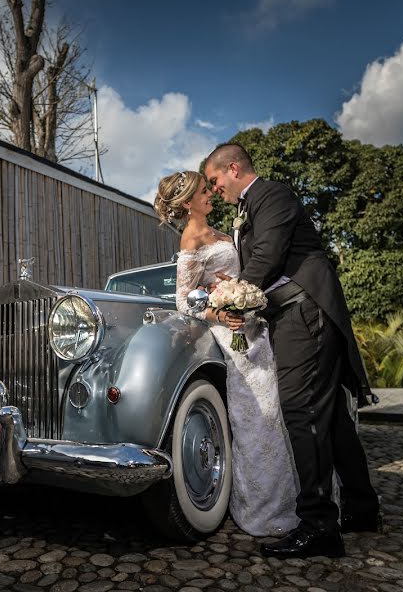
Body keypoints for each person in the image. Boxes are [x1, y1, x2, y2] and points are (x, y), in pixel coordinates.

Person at [204, 144, 381, 559]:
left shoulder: (272, 194)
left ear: (233, 168)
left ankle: (319, 526)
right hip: (295, 314)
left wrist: (231, 299)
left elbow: (268, 255)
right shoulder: (255, 204)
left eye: (215, 180)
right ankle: (360, 509)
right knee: (331, 415)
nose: (215, 189)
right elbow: (265, 259)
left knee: (303, 412)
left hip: (305, 312)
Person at [154, 170, 300, 537]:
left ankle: (295, 499)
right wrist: (220, 311)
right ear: (187, 203)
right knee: (255, 417)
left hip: (253, 328)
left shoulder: (218, 230)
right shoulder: (191, 239)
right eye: (204, 192)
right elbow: (184, 301)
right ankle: (262, 510)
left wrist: (236, 293)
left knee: (276, 412)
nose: (211, 195)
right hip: (231, 334)